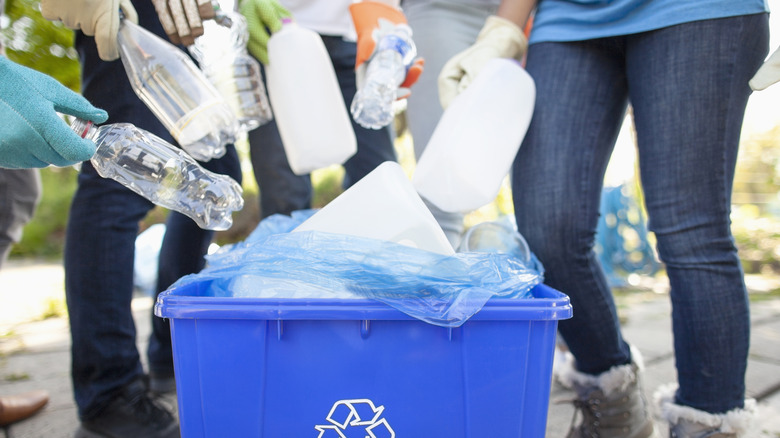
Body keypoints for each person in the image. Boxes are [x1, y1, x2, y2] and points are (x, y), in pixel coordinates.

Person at [439, 1, 769, 437]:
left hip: (695, 12)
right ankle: (613, 396)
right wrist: (503, 26)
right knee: (548, 229)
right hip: (568, 20)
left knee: (691, 230)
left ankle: (709, 423)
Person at [40, 0, 242, 436]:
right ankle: (109, 393)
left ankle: (173, 348)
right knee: (115, 181)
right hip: (125, 9)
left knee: (217, 168)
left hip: (169, 15)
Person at [238, 0, 412, 219]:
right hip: (276, 30)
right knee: (284, 193)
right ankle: (287, 251)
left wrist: (389, 25)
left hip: (358, 32)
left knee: (378, 181)